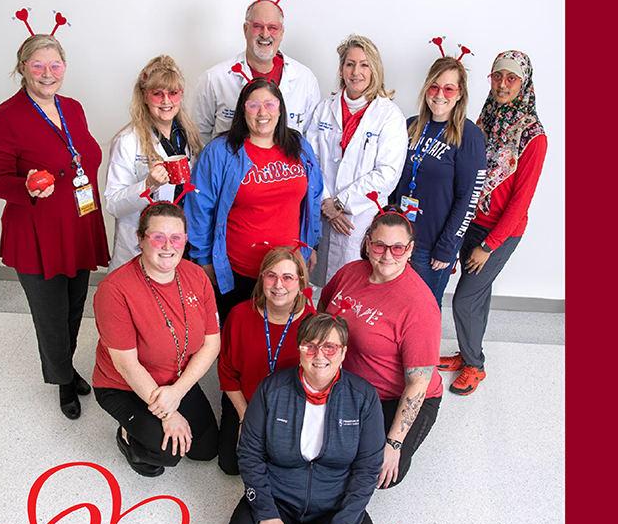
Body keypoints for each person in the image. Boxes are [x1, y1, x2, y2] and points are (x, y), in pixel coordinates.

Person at [213, 313, 383, 524]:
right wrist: (266, 514)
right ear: (300, 349)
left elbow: (368, 467)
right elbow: (250, 454)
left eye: (330, 347)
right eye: (311, 346)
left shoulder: (363, 397)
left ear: (343, 352)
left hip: (333, 498)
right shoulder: (271, 389)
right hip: (279, 493)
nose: (320, 355)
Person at [0, 31, 109, 421]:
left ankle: (65, 366)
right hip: (37, 233)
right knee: (50, 315)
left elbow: (81, 156)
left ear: (64, 68)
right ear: (22, 68)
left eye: (54, 65)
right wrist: (26, 187)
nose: (47, 73)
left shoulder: (72, 107)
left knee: (73, 307)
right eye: (38, 65)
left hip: (78, 223)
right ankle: (63, 382)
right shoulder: (5, 118)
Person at [440, 50, 548, 396]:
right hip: (472, 221)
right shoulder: (485, 119)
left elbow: (521, 201)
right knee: (478, 294)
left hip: (500, 231)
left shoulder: (534, 136)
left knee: (464, 300)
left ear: (524, 84)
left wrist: (489, 246)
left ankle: (475, 366)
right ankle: (469, 352)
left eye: (511, 78)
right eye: (497, 76)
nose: (502, 84)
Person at [92, 199, 221, 477]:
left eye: (176, 238)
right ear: (140, 239)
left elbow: (212, 342)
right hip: (124, 385)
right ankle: (127, 437)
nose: (168, 246)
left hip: (175, 380)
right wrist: (169, 414)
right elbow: (127, 365)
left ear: (185, 240)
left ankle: (162, 411)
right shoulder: (114, 290)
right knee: (165, 455)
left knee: (206, 450)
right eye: (158, 237)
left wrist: (178, 391)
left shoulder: (196, 276)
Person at [317, 205, 443, 489]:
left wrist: (393, 444)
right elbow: (324, 310)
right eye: (379, 246)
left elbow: (417, 385)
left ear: (410, 250)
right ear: (367, 244)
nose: (388, 255)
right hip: (348, 385)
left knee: (379, 474)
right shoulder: (350, 273)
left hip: (395, 398)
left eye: (398, 248)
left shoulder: (420, 307)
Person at [185, 78, 323, 327]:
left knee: (284, 338)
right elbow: (199, 210)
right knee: (237, 337)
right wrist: (204, 259)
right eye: (253, 105)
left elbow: (313, 197)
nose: (263, 112)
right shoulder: (220, 152)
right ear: (242, 109)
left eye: (270, 104)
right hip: (239, 270)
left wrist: (311, 243)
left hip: (289, 270)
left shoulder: (299, 147)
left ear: (280, 109)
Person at [306, 34, 408, 286]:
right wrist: (326, 203)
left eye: (364, 64)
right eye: (350, 64)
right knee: (320, 284)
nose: (356, 72)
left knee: (356, 285)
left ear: (374, 70)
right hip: (323, 213)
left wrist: (340, 203)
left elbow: (387, 174)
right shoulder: (323, 109)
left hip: (359, 218)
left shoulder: (389, 116)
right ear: (341, 69)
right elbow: (310, 161)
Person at [390, 56, 487, 308]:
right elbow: (392, 180)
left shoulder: (469, 136)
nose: (439, 94)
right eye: (434, 86)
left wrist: (447, 247)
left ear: (459, 93)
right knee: (394, 306)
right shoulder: (410, 126)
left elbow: (468, 198)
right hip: (398, 238)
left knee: (424, 311)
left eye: (448, 88)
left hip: (431, 245)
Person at [216, 246, 316, 476]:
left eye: (288, 277)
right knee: (231, 466)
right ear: (262, 279)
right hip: (245, 400)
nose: (278, 285)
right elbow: (227, 372)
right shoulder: (239, 315)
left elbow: (316, 383)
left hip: (290, 408)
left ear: (300, 283)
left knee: (281, 465)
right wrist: (246, 417)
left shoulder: (312, 323)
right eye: (271, 276)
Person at [104, 55, 204, 272]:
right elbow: (113, 204)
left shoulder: (189, 134)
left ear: (181, 95)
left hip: (179, 242)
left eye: (173, 93)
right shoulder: (128, 140)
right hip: (138, 248)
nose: (166, 101)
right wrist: (148, 185)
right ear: (144, 96)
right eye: (158, 94)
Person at [192, 0, 320, 142]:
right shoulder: (214, 79)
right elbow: (197, 138)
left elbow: (310, 141)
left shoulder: (305, 80)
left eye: (272, 27)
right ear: (245, 30)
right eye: (258, 26)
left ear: (281, 33)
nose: (265, 34)